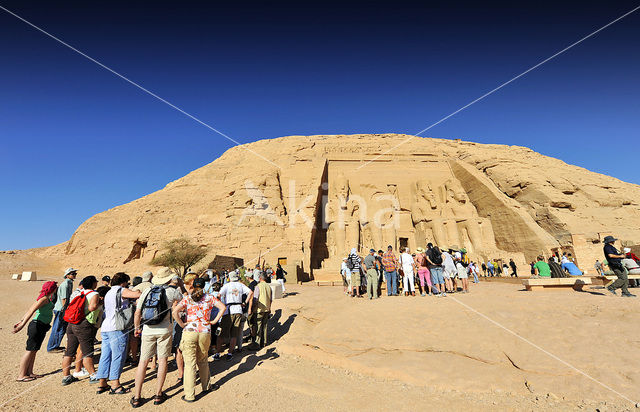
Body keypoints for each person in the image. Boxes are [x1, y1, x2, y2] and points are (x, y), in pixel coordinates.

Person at [130, 268, 184, 407]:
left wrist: (137, 328)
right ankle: (158, 394)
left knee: (143, 361)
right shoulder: (172, 292)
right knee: (163, 360)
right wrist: (181, 285)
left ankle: (137, 396)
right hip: (165, 330)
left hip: (148, 329)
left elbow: (137, 312)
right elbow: (184, 302)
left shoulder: (147, 291)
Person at [173, 277, 226, 403]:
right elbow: (222, 307)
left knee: (190, 364)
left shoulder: (187, 298)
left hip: (189, 332)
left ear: (193, 286)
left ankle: (189, 395)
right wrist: (214, 321)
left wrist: (182, 324)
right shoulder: (210, 298)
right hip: (205, 331)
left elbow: (175, 312)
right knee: (203, 360)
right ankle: (206, 386)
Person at [95, 272, 141, 395]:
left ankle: (102, 383)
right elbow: (137, 295)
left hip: (106, 327)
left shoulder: (109, 292)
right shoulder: (121, 290)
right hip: (117, 327)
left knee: (105, 355)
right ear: (123, 282)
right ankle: (115, 384)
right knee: (118, 355)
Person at [13, 281, 58, 382]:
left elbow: (30, 309)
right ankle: (21, 375)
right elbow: (31, 310)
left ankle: (29, 372)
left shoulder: (46, 298)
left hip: (42, 326)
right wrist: (21, 325)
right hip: (37, 326)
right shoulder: (44, 299)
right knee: (30, 350)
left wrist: (21, 321)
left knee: (34, 350)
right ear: (53, 289)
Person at [61, 275, 100, 385]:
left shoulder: (78, 292)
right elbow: (92, 307)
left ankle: (66, 376)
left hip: (71, 323)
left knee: (69, 351)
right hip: (83, 323)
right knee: (87, 351)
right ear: (93, 283)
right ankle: (93, 375)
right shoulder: (94, 294)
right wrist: (98, 304)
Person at [216, 271, 253, 359]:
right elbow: (251, 292)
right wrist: (244, 302)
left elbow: (219, 295)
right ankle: (230, 353)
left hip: (228, 311)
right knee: (234, 333)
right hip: (238, 310)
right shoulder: (241, 285)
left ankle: (217, 353)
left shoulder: (227, 285)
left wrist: (221, 305)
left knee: (221, 333)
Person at [47, 268, 77, 352]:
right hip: (61, 309)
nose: (74, 275)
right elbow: (64, 298)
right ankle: (51, 347)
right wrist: (66, 310)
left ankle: (56, 345)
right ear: (67, 275)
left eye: (75, 273)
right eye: (72, 273)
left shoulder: (69, 283)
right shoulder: (66, 284)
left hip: (62, 309)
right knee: (57, 328)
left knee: (62, 328)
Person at [253, 272, 273, 347]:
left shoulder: (258, 286)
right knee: (264, 325)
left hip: (259, 309)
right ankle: (264, 342)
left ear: (260, 278)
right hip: (267, 308)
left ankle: (257, 343)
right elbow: (271, 299)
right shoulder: (269, 286)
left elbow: (255, 299)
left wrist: (253, 308)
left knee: (258, 326)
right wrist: (269, 308)